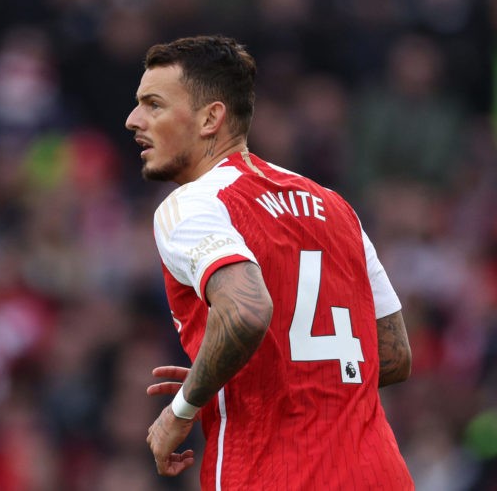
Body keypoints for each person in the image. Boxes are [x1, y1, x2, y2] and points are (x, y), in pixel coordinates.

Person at [125, 35, 413, 489]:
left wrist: (181, 408)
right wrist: (238, 373)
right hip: (379, 471)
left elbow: (245, 312)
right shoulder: (335, 205)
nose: (133, 120)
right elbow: (394, 356)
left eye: (154, 105)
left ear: (210, 118)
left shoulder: (193, 204)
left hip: (275, 473)